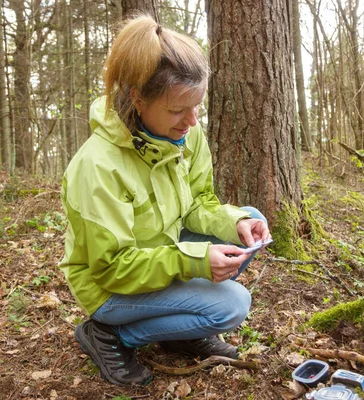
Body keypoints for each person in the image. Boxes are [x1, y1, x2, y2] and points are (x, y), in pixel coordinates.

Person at [59, 14, 271, 387]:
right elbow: (111, 268)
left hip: (162, 252)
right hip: (110, 287)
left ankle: (182, 330)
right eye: (177, 110)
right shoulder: (98, 167)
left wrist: (234, 222)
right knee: (232, 305)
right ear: (137, 99)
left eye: (196, 107)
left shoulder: (187, 134)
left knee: (248, 219)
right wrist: (195, 260)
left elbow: (198, 202)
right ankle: (111, 335)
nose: (190, 122)